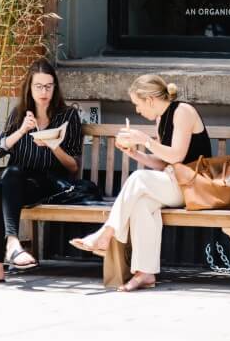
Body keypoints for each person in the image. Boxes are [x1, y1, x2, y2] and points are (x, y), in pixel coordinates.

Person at [68, 75, 212, 291]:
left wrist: (144, 139)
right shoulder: (161, 119)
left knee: (138, 178)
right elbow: (164, 163)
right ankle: (145, 273)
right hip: (173, 181)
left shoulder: (182, 111)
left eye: (137, 104)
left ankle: (106, 233)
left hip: (193, 186)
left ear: (150, 100)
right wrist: (135, 153)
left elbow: (177, 156)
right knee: (142, 205)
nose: (137, 110)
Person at [0, 59, 83, 284]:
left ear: (55, 87)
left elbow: (73, 167)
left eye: (48, 86)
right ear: (29, 87)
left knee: (1, 189)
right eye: (38, 86)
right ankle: (10, 247)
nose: (44, 92)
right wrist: (21, 131)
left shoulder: (68, 116)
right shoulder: (20, 114)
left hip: (49, 183)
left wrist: (54, 146)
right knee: (7, 180)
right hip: (18, 183)